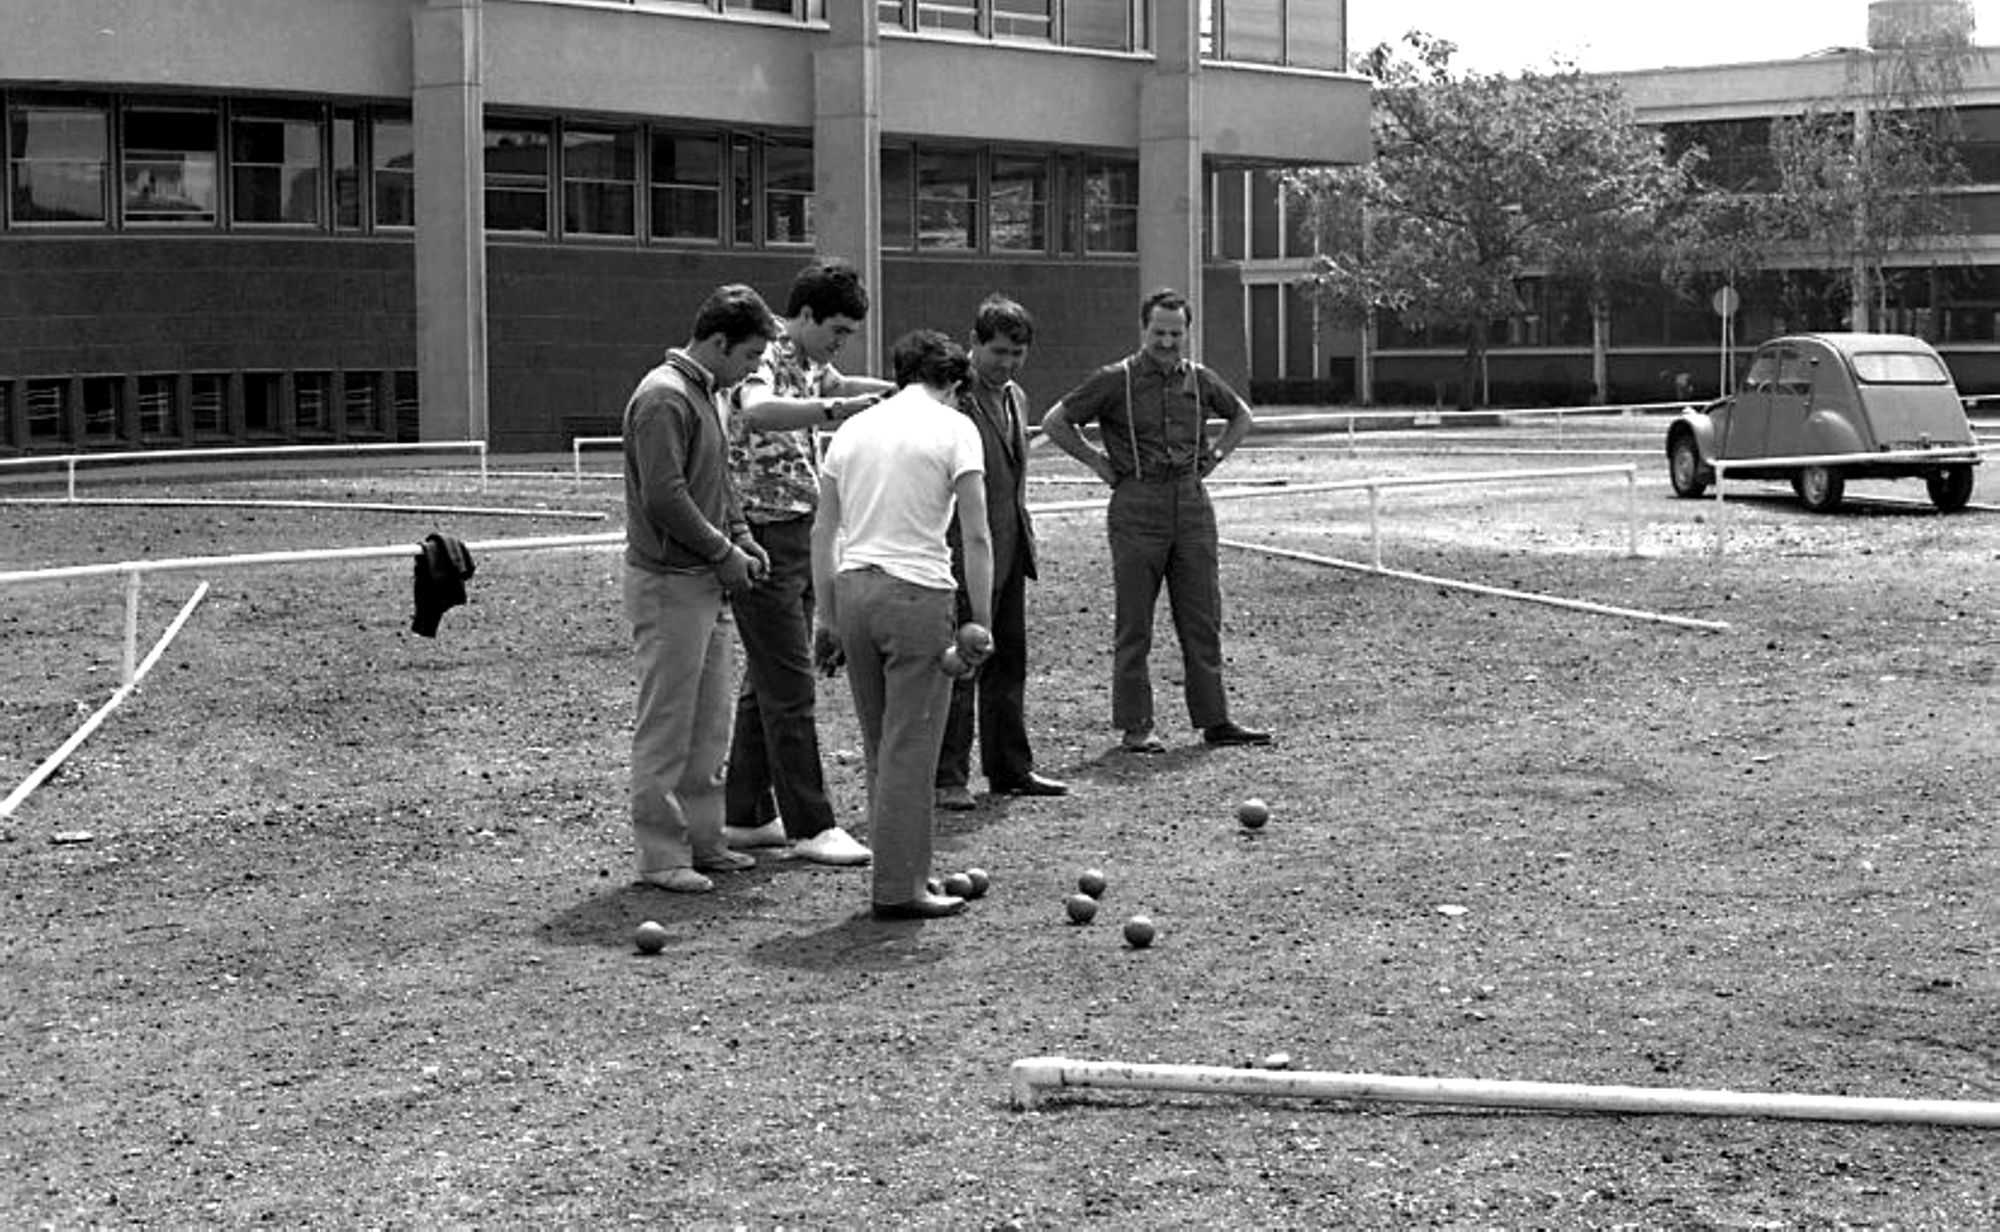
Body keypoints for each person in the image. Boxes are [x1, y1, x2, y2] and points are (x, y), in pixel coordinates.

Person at [1039, 287, 1272, 754]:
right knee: (1135, 622)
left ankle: (1215, 719)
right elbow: (1054, 422)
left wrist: (1217, 455)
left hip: (1191, 504)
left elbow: (1241, 415)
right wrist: (1099, 463)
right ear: (1143, 330)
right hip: (1136, 507)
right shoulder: (1115, 379)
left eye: (1175, 333)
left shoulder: (1200, 379)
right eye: (1158, 332)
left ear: (1187, 333)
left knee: (1202, 617)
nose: (1167, 342)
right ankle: (1136, 725)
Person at [811, 330, 994, 920]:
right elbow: (976, 534)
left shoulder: (854, 429)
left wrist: (826, 614)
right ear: (955, 383)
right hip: (916, 594)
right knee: (912, 746)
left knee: (881, 743)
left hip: (854, 588)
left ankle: (906, 866)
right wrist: (982, 621)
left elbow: (823, 532)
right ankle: (899, 888)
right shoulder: (956, 428)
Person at [719, 259, 888, 867]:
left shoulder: (809, 361)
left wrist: (891, 395)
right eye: (837, 330)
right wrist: (835, 412)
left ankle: (744, 813)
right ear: (807, 315)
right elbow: (758, 409)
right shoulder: (765, 356)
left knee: (764, 683)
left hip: (800, 530)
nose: (840, 343)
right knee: (790, 687)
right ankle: (811, 824)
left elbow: (834, 384)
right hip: (763, 531)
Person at [622, 283, 778, 894]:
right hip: (670, 584)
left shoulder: (707, 393)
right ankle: (661, 855)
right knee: (667, 723)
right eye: (748, 357)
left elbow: (718, 480)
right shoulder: (664, 397)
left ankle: (705, 840)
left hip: (704, 582)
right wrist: (723, 551)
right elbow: (666, 497)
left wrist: (742, 534)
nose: (752, 371)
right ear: (718, 341)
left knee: (709, 721)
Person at [934, 294, 1067, 811]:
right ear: (973, 344)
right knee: (963, 661)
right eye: (997, 352)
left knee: (1008, 660)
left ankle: (1010, 769)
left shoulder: (1017, 399)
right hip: (962, 551)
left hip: (1010, 548)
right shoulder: (951, 400)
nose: (1006, 363)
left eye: (1017, 353)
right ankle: (947, 776)